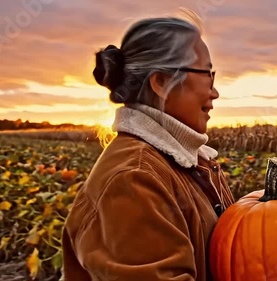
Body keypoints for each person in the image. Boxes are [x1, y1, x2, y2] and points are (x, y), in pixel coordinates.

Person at [61, 10, 235, 281]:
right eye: (207, 75)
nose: (215, 92)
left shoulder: (190, 161)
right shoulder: (134, 178)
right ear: (162, 82)